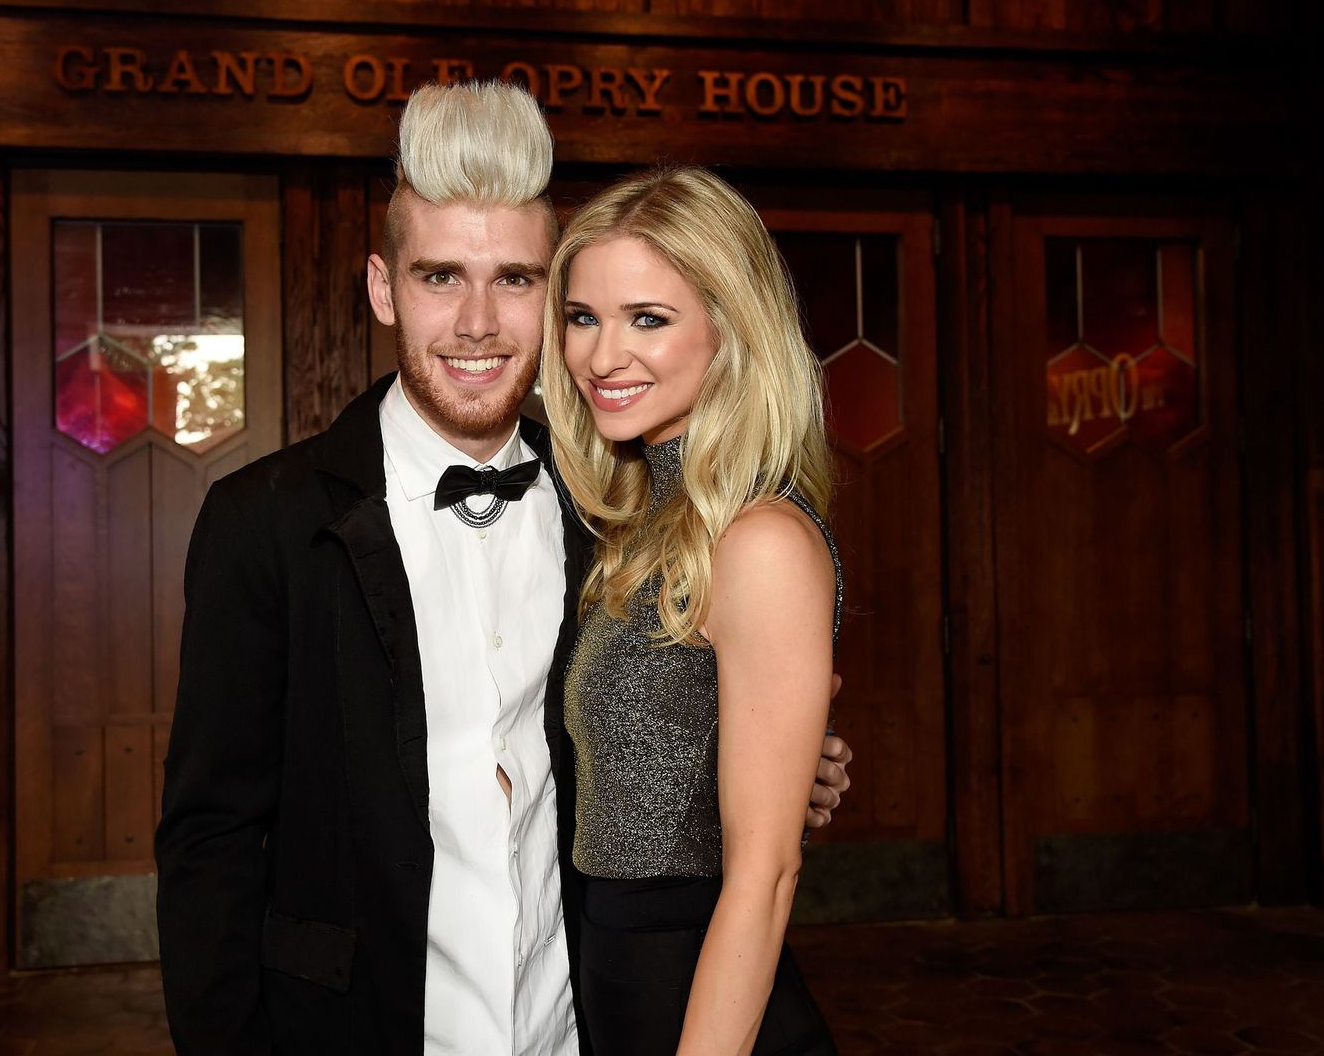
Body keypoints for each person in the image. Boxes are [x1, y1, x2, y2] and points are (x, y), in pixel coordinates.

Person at [154, 80, 853, 1055]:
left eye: (517, 280)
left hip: (588, 1030)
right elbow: (210, 842)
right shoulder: (262, 523)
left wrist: (779, 763)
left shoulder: (610, 508)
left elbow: (672, 728)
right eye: (440, 277)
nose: (478, 323)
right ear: (382, 288)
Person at [541, 165, 843, 1055]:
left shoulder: (760, 541)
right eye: (583, 317)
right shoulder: (642, 525)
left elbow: (765, 870)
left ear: (730, 328)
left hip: (703, 1006)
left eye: (649, 319)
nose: (603, 356)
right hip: (621, 986)